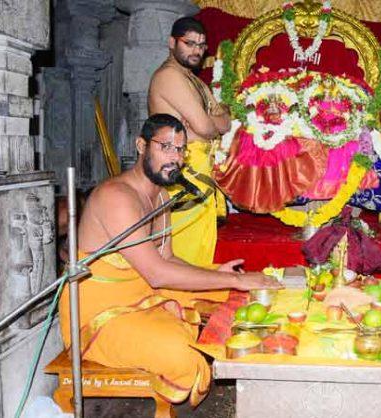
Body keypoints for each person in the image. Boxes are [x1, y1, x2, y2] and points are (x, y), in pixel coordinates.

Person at [58, 114, 282, 405]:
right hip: (101, 314)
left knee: (232, 294)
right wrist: (234, 278)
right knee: (182, 354)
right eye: (165, 147)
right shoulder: (116, 196)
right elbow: (157, 273)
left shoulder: (161, 195)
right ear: (141, 145)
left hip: (143, 290)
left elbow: (167, 258)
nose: (174, 158)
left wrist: (215, 273)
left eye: (180, 149)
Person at [148, 17, 230, 267]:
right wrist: (209, 123)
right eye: (189, 43)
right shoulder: (168, 76)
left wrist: (210, 122)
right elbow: (207, 126)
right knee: (183, 248)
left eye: (202, 45)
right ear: (171, 42)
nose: (196, 50)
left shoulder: (193, 79)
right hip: (181, 171)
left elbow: (224, 120)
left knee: (202, 248)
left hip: (200, 168)